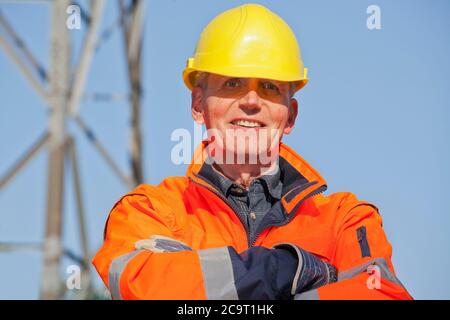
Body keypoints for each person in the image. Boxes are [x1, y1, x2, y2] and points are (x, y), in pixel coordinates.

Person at [92, 3, 412, 300]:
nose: (251, 101)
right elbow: (149, 285)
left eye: (270, 87)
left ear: (291, 116)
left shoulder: (345, 220)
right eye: (232, 83)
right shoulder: (149, 212)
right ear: (198, 104)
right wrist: (280, 271)